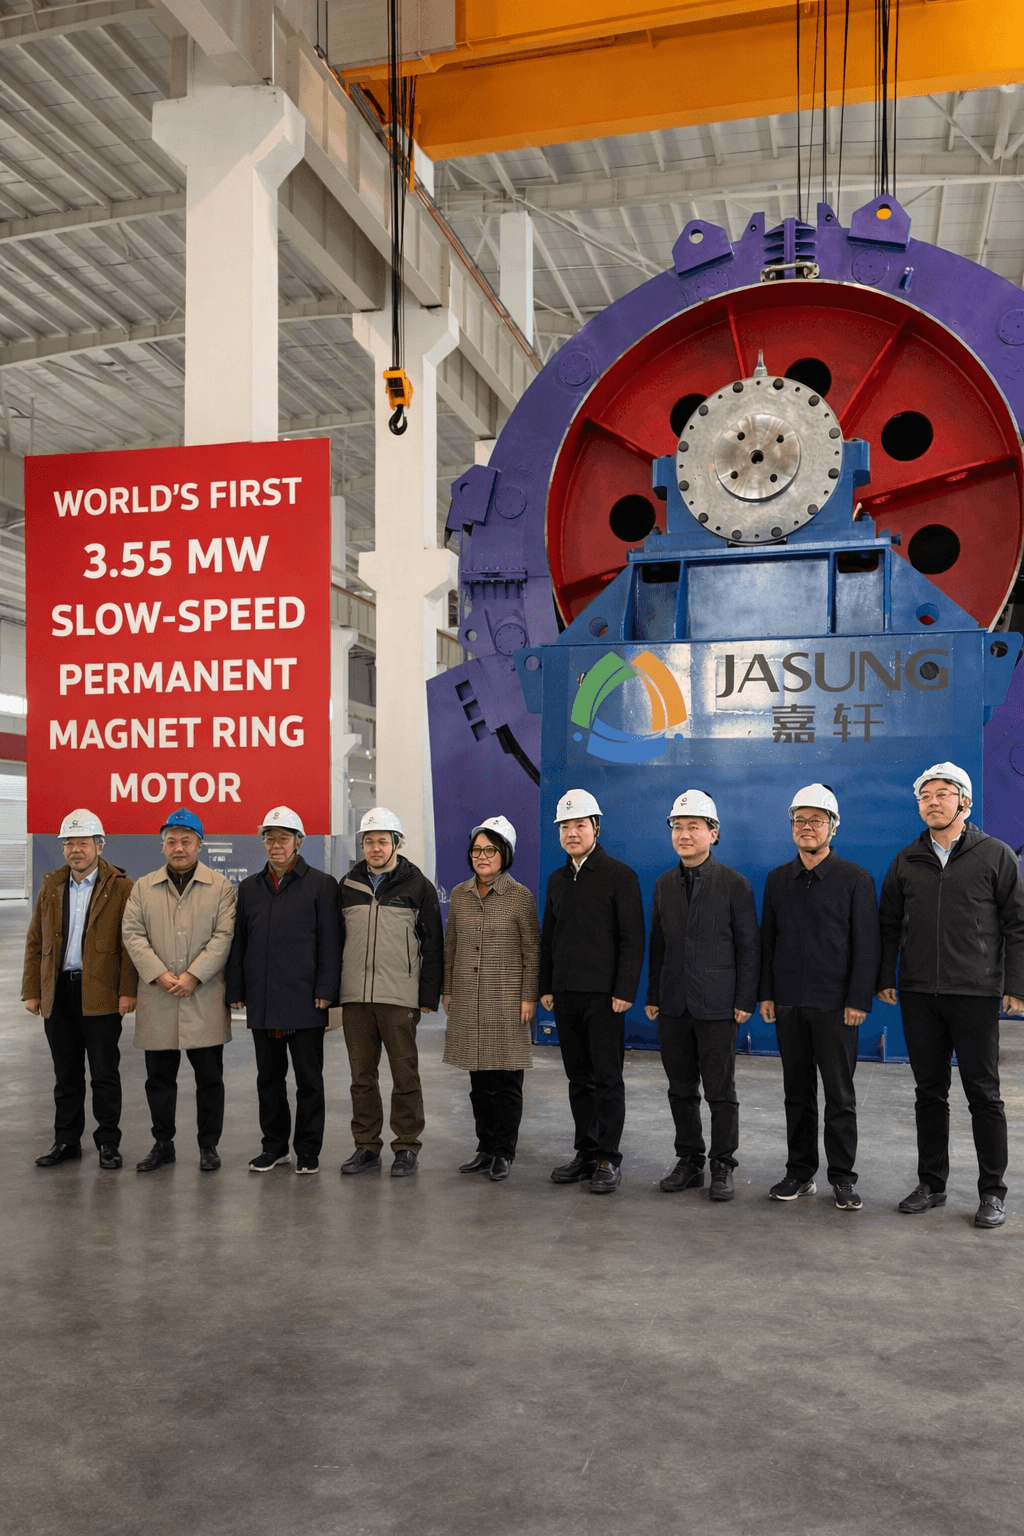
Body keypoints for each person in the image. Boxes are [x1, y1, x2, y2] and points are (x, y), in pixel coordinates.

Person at [877, 762, 1024, 1230]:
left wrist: (1016, 987)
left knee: (984, 1094)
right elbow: (887, 926)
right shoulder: (906, 859)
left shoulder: (996, 855)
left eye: (943, 794)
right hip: (920, 993)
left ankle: (992, 1193)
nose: (933, 803)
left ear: (964, 801)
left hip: (975, 993)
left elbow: (1018, 926)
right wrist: (886, 976)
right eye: (925, 796)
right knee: (929, 1093)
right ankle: (931, 1184)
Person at [759, 785, 880, 1210]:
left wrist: (858, 999)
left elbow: (867, 946)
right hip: (790, 1003)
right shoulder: (778, 880)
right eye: (799, 821)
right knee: (797, 1093)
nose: (807, 828)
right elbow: (768, 942)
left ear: (833, 827)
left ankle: (843, 1178)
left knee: (840, 1096)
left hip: (836, 1006)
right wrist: (767, 995)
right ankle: (799, 1172)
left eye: (816, 820)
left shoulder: (855, 879)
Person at [644, 790, 759, 1202]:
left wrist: (745, 999)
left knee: (720, 1090)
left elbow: (749, 946)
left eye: (694, 827)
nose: (685, 834)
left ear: (713, 833)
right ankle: (689, 1159)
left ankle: (723, 1164)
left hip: (717, 1005)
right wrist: (654, 993)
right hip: (675, 1003)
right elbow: (659, 943)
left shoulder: (734, 884)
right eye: (678, 827)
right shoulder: (663, 884)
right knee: (680, 1087)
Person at [539, 789, 645, 1193]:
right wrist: (547, 985)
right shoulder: (557, 879)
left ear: (595, 829)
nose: (571, 833)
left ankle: (608, 1158)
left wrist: (624, 989)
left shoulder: (620, 876)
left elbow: (632, 939)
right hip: (566, 995)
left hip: (604, 997)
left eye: (579, 825)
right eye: (565, 826)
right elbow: (549, 937)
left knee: (607, 1078)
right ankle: (585, 1152)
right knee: (577, 1078)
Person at [225, 806, 341, 1176]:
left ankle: (307, 1150)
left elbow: (330, 943)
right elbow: (240, 941)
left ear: (299, 841)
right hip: (263, 999)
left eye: (283, 839)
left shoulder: (322, 885)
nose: (275, 846)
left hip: (306, 998)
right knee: (268, 1080)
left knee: (309, 1080)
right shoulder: (249, 888)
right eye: (269, 839)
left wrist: (326, 990)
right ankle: (274, 1147)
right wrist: (237, 988)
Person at [121, 808, 237, 1173]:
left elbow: (224, 936)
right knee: (159, 1078)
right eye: (171, 841)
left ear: (199, 844)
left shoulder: (220, 887)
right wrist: (158, 974)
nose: (179, 848)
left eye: (186, 841)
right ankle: (162, 1143)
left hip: (202, 995)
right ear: (162, 846)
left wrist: (193, 976)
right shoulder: (143, 887)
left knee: (210, 1078)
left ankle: (208, 1146)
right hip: (158, 996)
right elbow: (133, 934)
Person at [22, 809, 137, 1170]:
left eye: (83, 843)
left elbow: (130, 945)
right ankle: (66, 1140)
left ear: (99, 846)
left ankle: (108, 1142)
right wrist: (32, 990)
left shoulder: (121, 888)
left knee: (104, 1073)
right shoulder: (51, 886)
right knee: (65, 1074)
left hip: (101, 993)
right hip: (59, 993)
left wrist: (128, 991)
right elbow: (35, 941)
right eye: (69, 843)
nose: (76, 850)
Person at [336, 807, 444, 1178]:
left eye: (383, 841)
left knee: (404, 1075)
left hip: (399, 998)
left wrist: (427, 997)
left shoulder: (418, 886)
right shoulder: (348, 885)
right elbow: (336, 942)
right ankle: (366, 1145)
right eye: (369, 841)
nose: (375, 848)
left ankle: (407, 1146)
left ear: (397, 843)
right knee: (361, 1076)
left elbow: (434, 945)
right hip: (355, 999)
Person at [442, 816, 540, 1182]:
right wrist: (448, 989)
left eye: (490, 851)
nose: (482, 857)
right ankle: (484, 1148)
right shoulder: (459, 894)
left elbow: (532, 951)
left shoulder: (520, 897)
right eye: (477, 850)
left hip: (507, 1000)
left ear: (505, 855)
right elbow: (451, 945)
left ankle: (504, 1151)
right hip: (468, 998)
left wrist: (528, 996)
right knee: (478, 1081)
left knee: (506, 1080)